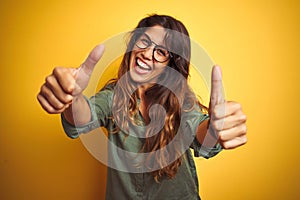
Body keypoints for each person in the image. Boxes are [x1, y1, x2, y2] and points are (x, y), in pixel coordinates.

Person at [37, 14, 247, 200]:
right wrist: (71, 97)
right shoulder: (114, 96)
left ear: (170, 64)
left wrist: (214, 128)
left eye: (161, 51)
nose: (147, 54)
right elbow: (84, 115)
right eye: (144, 42)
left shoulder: (180, 99)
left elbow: (197, 130)